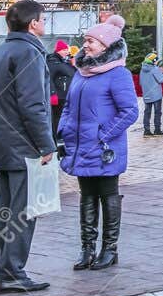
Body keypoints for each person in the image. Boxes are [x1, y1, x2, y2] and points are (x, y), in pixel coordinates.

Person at [0, 0, 57, 294]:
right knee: (23, 212)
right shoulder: (29, 52)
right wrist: (46, 144)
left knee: (5, 211)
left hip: (1, 142)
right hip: (24, 145)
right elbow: (33, 104)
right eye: (43, 20)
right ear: (33, 23)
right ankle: (12, 272)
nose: (44, 25)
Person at [59, 15, 138, 271]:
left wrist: (104, 134)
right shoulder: (81, 73)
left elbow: (129, 111)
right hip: (80, 145)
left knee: (108, 195)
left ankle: (109, 249)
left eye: (91, 41)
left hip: (105, 149)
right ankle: (87, 249)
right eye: (86, 40)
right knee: (86, 196)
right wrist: (64, 128)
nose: (86, 45)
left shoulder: (118, 74)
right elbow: (69, 105)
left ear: (106, 46)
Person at [46, 39, 75, 138]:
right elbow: (49, 78)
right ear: (59, 51)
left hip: (64, 95)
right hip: (59, 96)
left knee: (62, 118)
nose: (67, 52)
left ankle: (60, 136)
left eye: (67, 50)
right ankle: (56, 137)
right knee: (57, 118)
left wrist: (73, 64)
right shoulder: (53, 62)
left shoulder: (63, 62)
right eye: (64, 50)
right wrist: (52, 93)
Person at [139, 52, 163, 137]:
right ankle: (157, 130)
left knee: (147, 112)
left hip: (146, 94)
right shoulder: (155, 69)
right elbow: (161, 80)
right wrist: (162, 72)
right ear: (153, 61)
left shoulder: (142, 69)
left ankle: (147, 130)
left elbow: (140, 82)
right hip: (156, 95)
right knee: (157, 112)